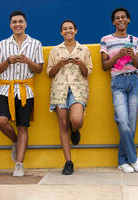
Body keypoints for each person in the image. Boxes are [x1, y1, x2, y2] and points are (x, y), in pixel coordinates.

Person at [0, 11, 44, 177]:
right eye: (14, 22)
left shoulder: (35, 43)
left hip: (25, 90)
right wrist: (8, 61)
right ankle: (15, 141)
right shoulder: (3, 44)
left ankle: (19, 165)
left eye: (20, 21)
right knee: (0, 120)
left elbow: (39, 69)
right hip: (6, 89)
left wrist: (27, 61)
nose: (17, 24)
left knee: (23, 126)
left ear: (26, 24)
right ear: (10, 25)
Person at [100, 7, 138, 173]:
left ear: (128, 20)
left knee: (131, 124)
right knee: (122, 121)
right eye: (117, 18)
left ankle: (122, 161)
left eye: (123, 17)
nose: (120, 20)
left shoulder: (135, 39)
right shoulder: (105, 39)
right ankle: (133, 158)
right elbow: (104, 66)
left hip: (134, 79)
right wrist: (118, 55)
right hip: (117, 81)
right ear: (113, 22)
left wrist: (132, 56)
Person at [47, 20, 93, 175]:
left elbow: (88, 73)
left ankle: (76, 129)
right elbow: (49, 73)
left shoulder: (84, 49)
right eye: (65, 29)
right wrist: (59, 64)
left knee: (76, 120)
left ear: (76, 31)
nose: (68, 31)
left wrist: (80, 64)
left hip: (78, 89)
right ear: (61, 32)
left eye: (71, 28)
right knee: (63, 124)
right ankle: (68, 162)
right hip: (59, 90)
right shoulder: (55, 50)